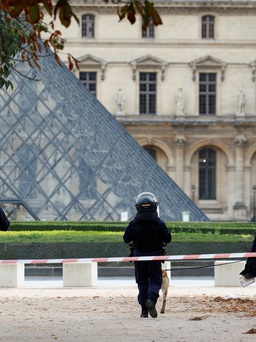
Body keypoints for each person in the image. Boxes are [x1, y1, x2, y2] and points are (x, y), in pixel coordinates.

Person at [123, 192, 172, 318]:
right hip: (155, 256)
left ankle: (144, 310)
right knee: (156, 281)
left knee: (142, 282)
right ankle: (151, 299)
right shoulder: (159, 223)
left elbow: (126, 238)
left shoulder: (134, 223)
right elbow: (167, 239)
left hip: (138, 256)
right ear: (154, 207)